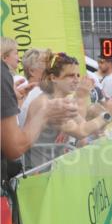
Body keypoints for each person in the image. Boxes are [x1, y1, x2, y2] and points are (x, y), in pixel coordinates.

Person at [23, 53, 112, 169]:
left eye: (77, 75)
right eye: (70, 76)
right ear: (53, 78)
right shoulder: (47, 102)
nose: (77, 80)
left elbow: (84, 125)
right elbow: (81, 132)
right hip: (37, 173)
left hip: (51, 169)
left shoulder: (61, 99)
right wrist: (109, 113)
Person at [1, 41, 77, 187]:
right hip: (35, 172)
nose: (50, 67)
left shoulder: (38, 92)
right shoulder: (39, 96)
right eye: (45, 63)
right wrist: (44, 114)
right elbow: (15, 148)